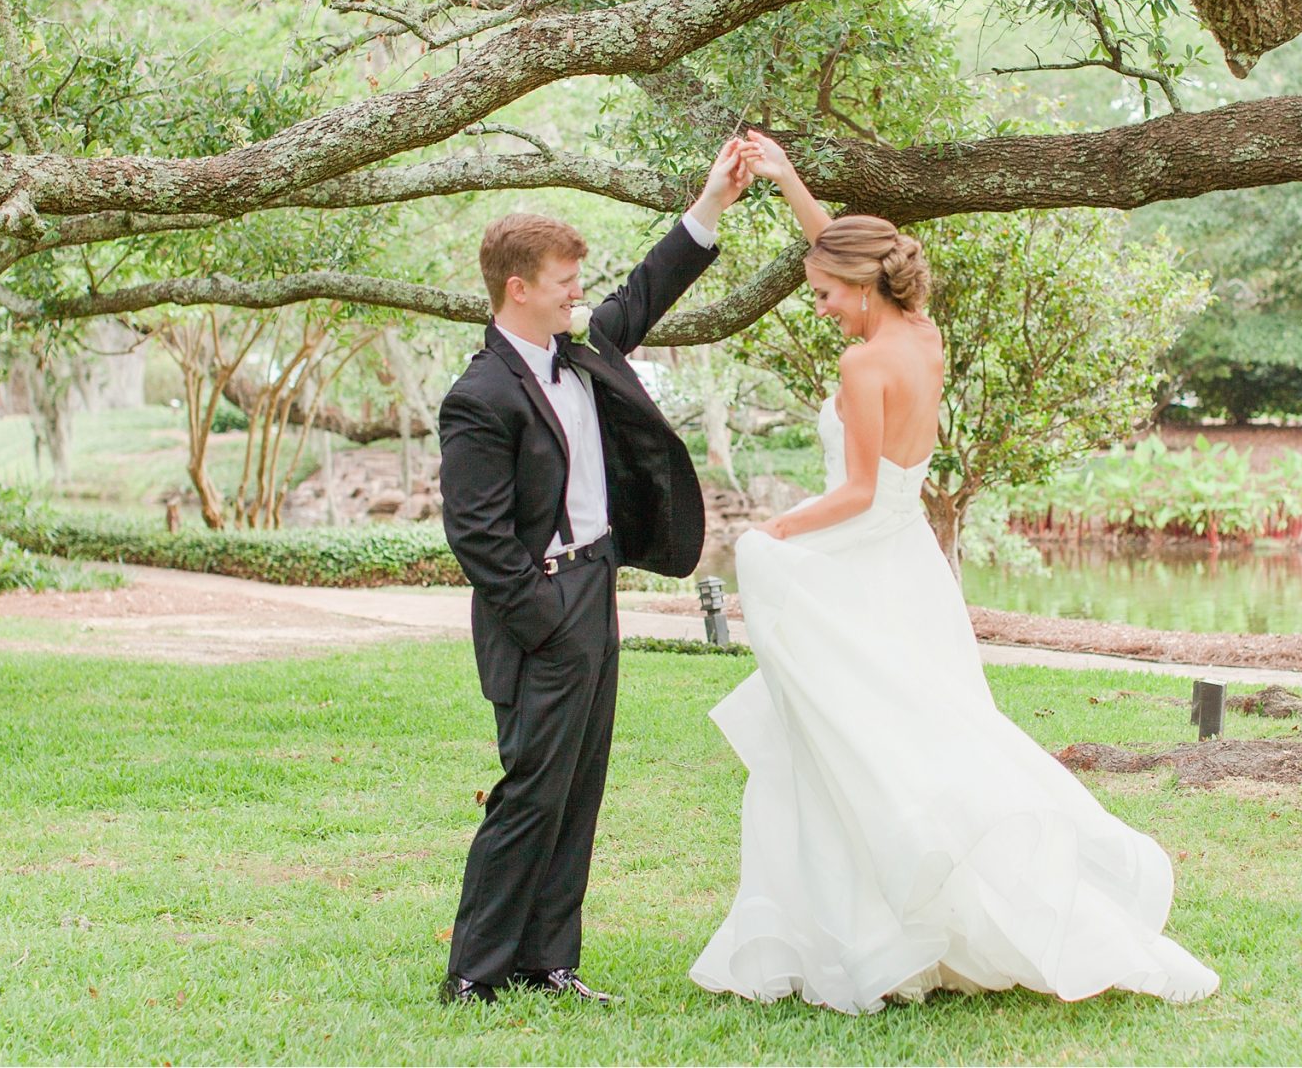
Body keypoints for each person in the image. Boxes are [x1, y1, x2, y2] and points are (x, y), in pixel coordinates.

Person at [690, 131, 1220, 1014]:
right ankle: (913, 918)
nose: (817, 305)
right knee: (920, 737)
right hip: (912, 568)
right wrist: (789, 186)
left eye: (823, 294)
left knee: (862, 745)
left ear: (861, 290)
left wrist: (770, 529)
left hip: (862, 558)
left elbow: (856, 492)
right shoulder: (921, 334)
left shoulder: (864, 364)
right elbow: (844, 252)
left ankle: (889, 925)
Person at [436, 140, 753, 1006]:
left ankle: (548, 964)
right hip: (540, 610)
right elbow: (476, 534)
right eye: (566, 278)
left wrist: (711, 200)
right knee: (531, 790)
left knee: (579, 787)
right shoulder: (480, 396)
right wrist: (544, 619)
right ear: (518, 289)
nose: (581, 290)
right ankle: (474, 973)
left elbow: (649, 286)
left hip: (595, 591)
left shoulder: (582, 352)